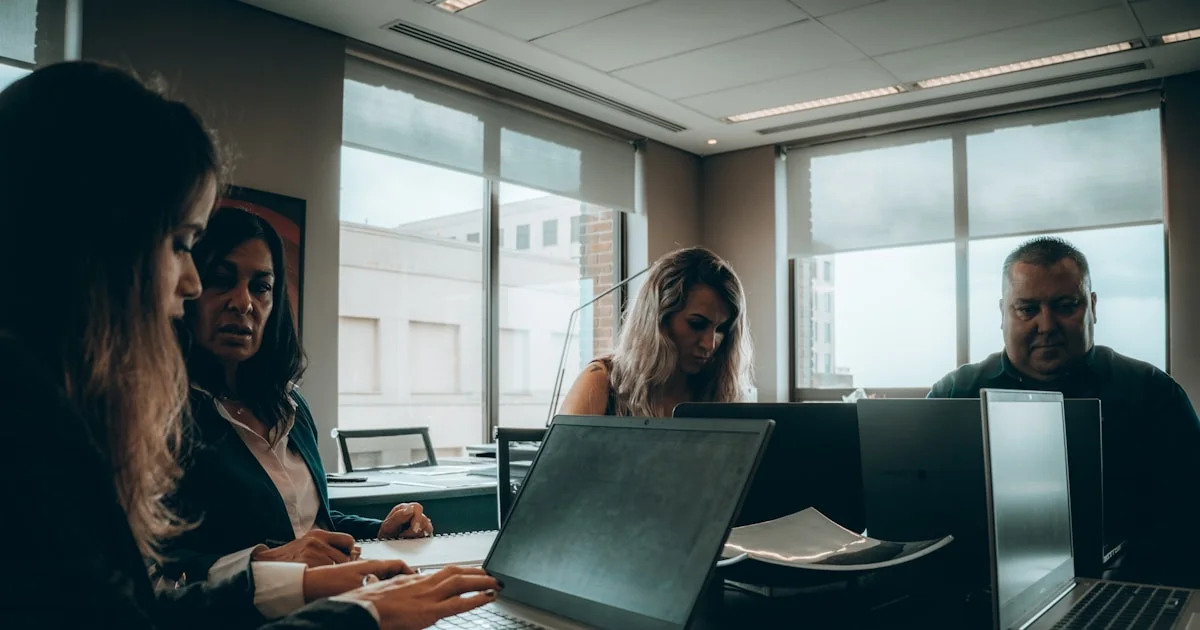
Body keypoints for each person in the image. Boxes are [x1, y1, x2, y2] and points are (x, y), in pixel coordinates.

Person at [0, 61, 497, 628]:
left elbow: (133, 611)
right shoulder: (30, 413)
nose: (189, 286)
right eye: (182, 245)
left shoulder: (286, 408)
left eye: (261, 286)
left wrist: (309, 580)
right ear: (97, 238)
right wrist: (360, 615)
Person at [160, 208, 435, 581]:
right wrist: (268, 562)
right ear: (188, 291)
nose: (243, 303)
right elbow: (158, 571)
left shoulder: (290, 405)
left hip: (331, 604)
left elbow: (306, 525)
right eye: (220, 280)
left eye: (261, 287)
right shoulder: (161, 417)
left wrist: (380, 531)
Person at [928, 236, 1200, 587]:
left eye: (1066, 305)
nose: (1046, 325)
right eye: (1027, 309)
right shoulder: (954, 394)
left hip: (1127, 593)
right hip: (974, 594)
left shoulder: (1151, 392)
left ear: (1093, 307)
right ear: (1002, 314)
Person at [559, 246, 754, 417]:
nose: (709, 344)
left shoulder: (716, 393)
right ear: (659, 318)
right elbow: (562, 459)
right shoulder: (602, 381)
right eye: (696, 324)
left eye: (721, 329)